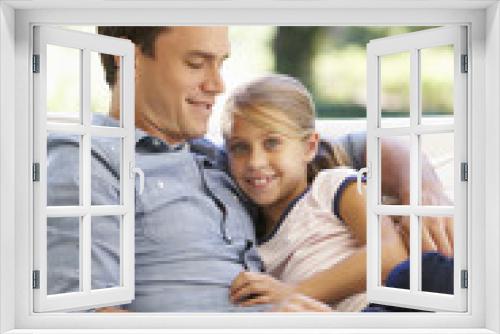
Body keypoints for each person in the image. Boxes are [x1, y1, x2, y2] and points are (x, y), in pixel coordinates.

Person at [47, 26, 453, 312]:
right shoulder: (89, 160)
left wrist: (422, 187)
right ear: (131, 59)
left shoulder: (221, 159)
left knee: (441, 281)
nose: (218, 84)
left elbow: (360, 145)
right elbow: (82, 317)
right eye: (197, 63)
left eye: (220, 63)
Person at [222, 74, 410, 311]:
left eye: (272, 143)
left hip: (393, 306)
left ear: (309, 147)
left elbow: (389, 255)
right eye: (240, 147)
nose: (255, 161)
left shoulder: (333, 187)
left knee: (435, 269)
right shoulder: (253, 247)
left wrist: (293, 293)